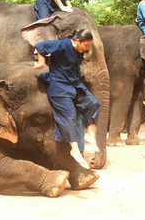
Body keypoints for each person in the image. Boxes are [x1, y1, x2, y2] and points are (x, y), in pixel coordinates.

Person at [33, 29, 100, 168]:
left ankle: (91, 137)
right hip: (59, 86)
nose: (87, 48)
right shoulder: (63, 45)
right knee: (68, 116)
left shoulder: (78, 52)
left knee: (93, 103)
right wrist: (41, 63)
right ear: (77, 41)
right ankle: (74, 150)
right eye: (86, 45)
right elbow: (40, 46)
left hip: (74, 84)